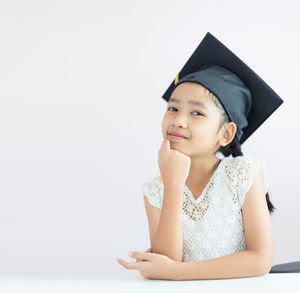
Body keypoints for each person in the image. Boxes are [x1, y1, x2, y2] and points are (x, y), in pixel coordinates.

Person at [117, 32, 284, 280]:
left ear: (226, 134)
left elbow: (260, 260)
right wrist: (173, 185)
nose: (178, 121)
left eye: (196, 113)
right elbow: (166, 263)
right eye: (173, 108)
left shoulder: (243, 175)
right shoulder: (155, 191)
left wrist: (178, 271)